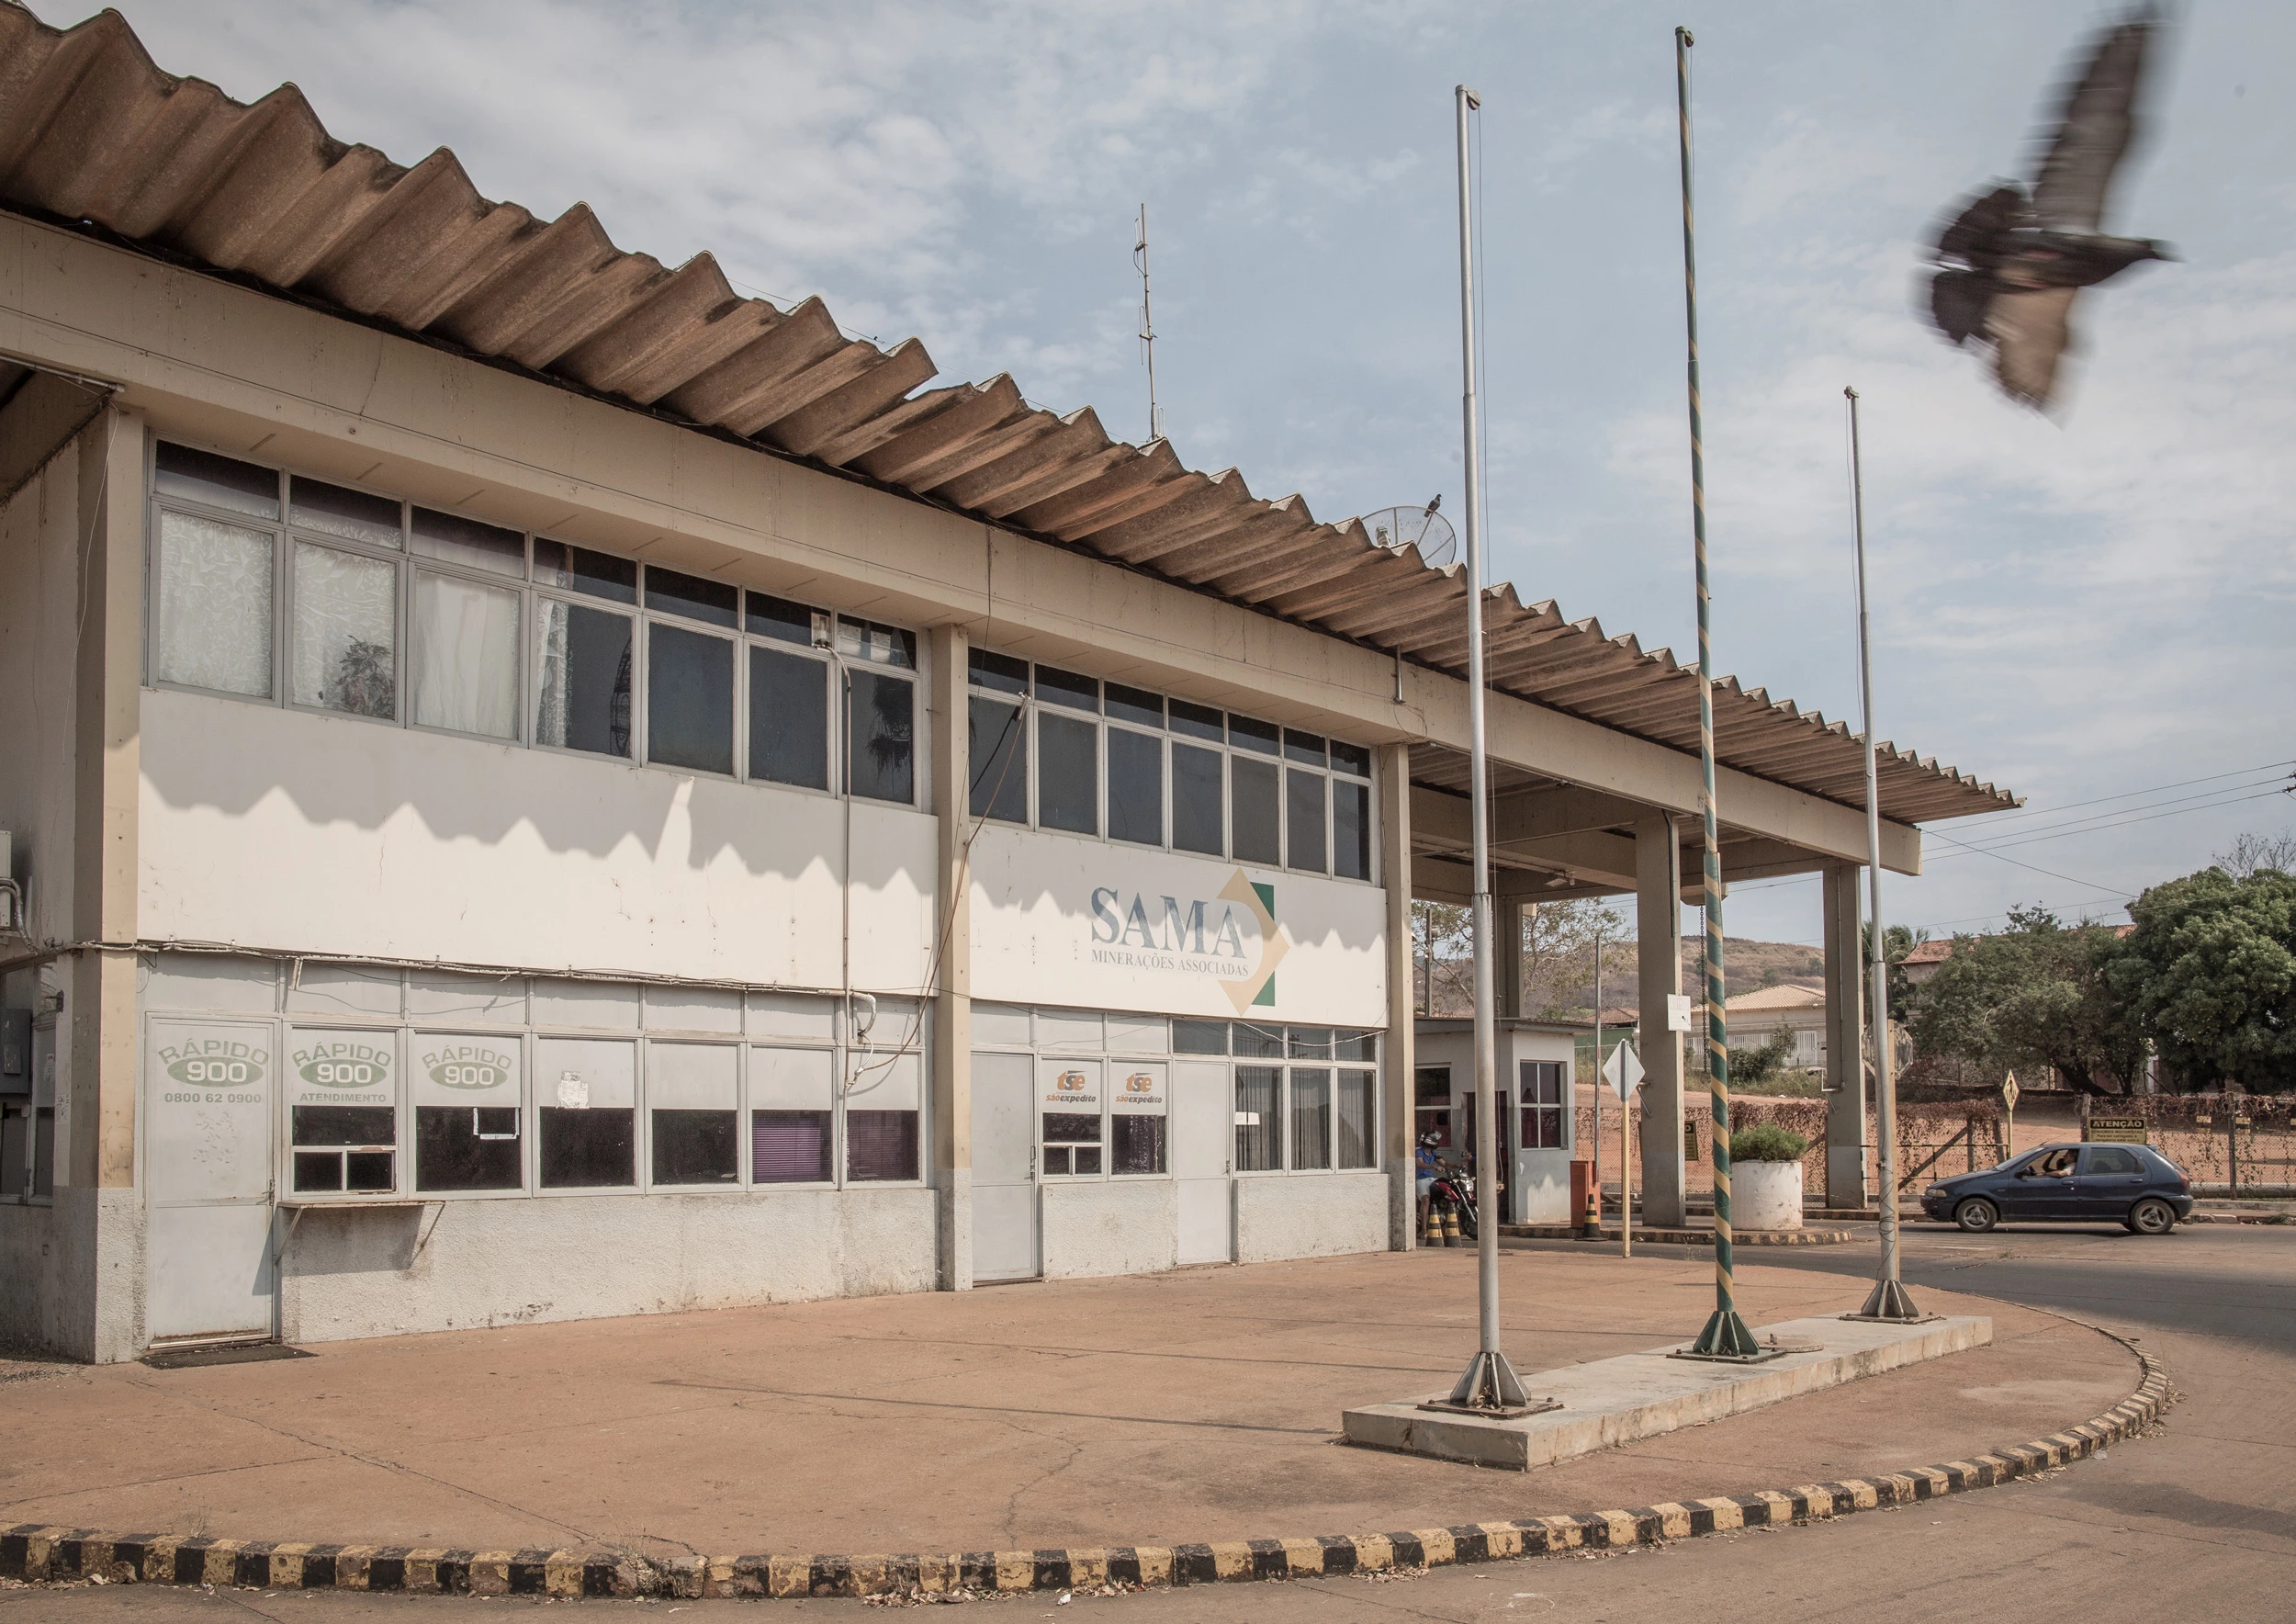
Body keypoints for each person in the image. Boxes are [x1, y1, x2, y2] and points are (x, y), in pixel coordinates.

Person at [1416, 1133, 1441, 1235]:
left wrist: (1458, 1165)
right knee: (1425, 1200)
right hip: (1420, 1179)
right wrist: (1434, 1167)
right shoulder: (1419, 1152)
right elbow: (1420, 1164)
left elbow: (1445, 1163)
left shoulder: (1433, 1153)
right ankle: (1424, 1230)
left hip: (1431, 1179)